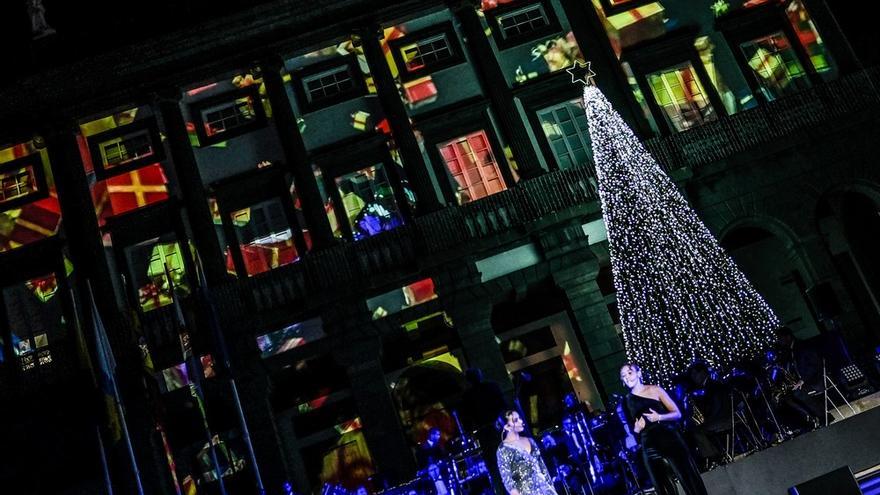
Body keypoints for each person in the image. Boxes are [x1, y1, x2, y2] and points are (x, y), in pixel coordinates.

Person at [620, 363, 708, 495]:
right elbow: (633, 433)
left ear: (639, 373)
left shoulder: (655, 390)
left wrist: (659, 417)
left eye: (630, 373)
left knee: (688, 478)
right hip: (648, 445)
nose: (627, 377)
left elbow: (677, 414)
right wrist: (637, 429)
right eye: (623, 376)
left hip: (669, 439)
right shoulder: (625, 402)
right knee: (662, 487)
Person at [496, 410, 557, 495]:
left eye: (520, 418)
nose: (521, 421)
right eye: (516, 420)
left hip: (545, 489)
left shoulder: (530, 441)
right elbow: (507, 479)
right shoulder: (503, 449)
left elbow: (542, 467)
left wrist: (551, 488)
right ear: (507, 426)